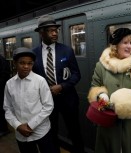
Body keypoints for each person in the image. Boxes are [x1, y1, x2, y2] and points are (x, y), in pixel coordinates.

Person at [87, 28, 131, 153]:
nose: (129, 46)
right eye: (125, 43)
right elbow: (94, 87)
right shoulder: (101, 66)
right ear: (115, 45)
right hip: (109, 122)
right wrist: (101, 96)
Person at [32, 14, 85, 153]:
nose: (55, 33)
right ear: (41, 32)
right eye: (51, 30)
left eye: (56, 30)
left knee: (74, 131)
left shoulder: (66, 50)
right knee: (51, 132)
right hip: (47, 102)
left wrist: (62, 86)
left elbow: (76, 74)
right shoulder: (34, 54)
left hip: (68, 99)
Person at [3, 47, 56, 153]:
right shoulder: (9, 84)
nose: (26, 66)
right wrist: (18, 126)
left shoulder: (40, 81)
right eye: (22, 63)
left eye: (30, 63)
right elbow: (7, 108)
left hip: (41, 131)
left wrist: (30, 125)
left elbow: (48, 106)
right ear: (15, 63)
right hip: (21, 133)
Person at [0, 54, 10, 137]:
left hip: (1, 89)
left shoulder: (1, 59)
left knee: (1, 109)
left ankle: (4, 129)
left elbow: (5, 74)